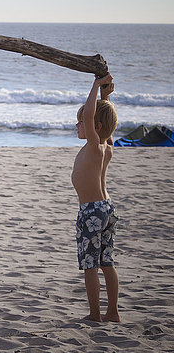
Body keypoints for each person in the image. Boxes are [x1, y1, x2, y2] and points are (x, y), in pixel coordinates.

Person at [72, 73, 120, 322]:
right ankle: (113, 312)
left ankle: (95, 314)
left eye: (80, 123)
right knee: (107, 262)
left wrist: (95, 85)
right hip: (107, 209)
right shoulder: (107, 147)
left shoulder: (93, 145)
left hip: (91, 211)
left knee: (91, 266)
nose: (78, 126)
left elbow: (92, 115)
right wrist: (106, 96)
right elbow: (104, 119)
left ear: (94, 127)